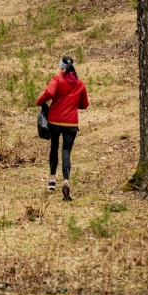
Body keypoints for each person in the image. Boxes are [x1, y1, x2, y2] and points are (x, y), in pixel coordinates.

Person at [36, 56, 90, 201]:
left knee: (54, 148)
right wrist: (71, 104)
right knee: (66, 152)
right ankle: (66, 181)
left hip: (55, 120)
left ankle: (52, 180)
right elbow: (84, 104)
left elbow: (49, 93)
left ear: (61, 67)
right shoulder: (80, 83)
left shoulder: (57, 79)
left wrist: (39, 101)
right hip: (71, 123)